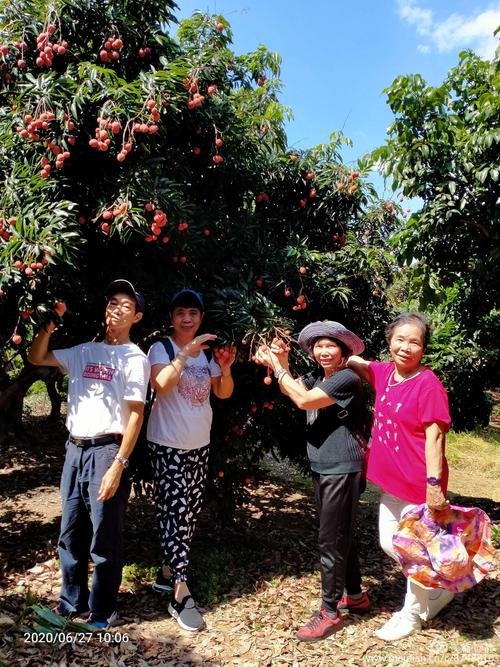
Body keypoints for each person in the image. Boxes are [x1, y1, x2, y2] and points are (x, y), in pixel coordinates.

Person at [27, 279, 150, 629]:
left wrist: (119, 465)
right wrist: (49, 324)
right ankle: (70, 602)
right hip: (74, 450)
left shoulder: (134, 358)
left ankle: (102, 609)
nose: (117, 308)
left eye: (126, 305)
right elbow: (37, 356)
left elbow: (136, 415)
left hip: (107, 451)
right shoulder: (82, 351)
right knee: (70, 532)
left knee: (103, 534)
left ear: (137, 316)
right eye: (113, 302)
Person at [254, 321, 370, 643]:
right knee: (339, 532)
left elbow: (304, 401)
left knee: (329, 539)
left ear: (344, 350)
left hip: (342, 468)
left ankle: (330, 612)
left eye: (330, 345)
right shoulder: (319, 377)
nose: (323, 350)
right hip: (325, 466)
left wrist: (278, 367)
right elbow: (291, 389)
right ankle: (356, 596)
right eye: (318, 345)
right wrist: (283, 362)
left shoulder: (346, 378)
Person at [348, 312, 453, 642]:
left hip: (419, 484)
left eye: (415, 342)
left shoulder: (428, 386)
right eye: (400, 339)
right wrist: (342, 353)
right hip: (391, 482)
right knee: (389, 542)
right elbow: (362, 365)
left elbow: (436, 439)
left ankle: (411, 614)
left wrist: (434, 487)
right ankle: (437, 586)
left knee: (411, 550)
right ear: (390, 340)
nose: (406, 347)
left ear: (423, 349)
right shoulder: (385, 373)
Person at [147, 288, 236, 632]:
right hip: (167, 443)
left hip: (199, 443)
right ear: (172, 318)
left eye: (193, 313)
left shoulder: (208, 354)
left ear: (201, 318)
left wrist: (225, 370)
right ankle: (180, 593)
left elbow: (223, 392)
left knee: (190, 510)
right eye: (181, 312)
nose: (187, 318)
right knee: (176, 509)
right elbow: (162, 385)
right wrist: (185, 352)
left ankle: (166, 572)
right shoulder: (162, 348)